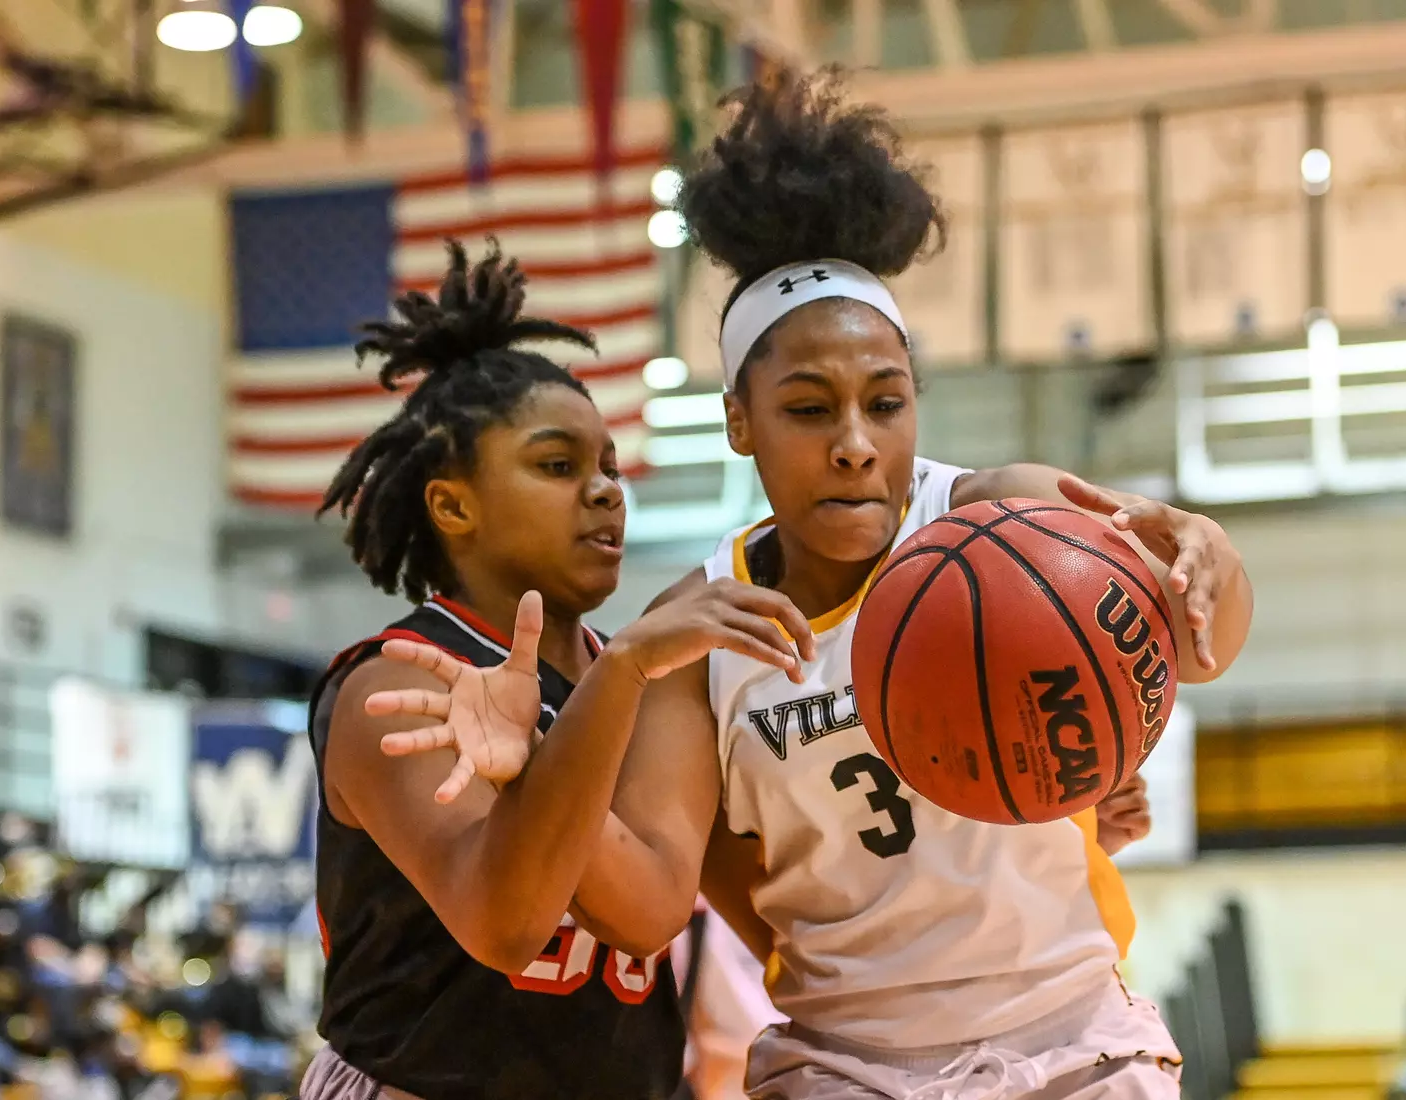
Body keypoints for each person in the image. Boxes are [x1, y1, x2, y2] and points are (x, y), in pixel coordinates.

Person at [376, 70, 1253, 1100]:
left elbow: (1203, 642)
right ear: (739, 421)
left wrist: (1210, 559)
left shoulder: (999, 516)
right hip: (845, 1063)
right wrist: (533, 764)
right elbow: (649, 904)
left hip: (1069, 1035)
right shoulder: (687, 638)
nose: (852, 444)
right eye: (806, 408)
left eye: (884, 403)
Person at [302, 240, 816, 1100]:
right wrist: (620, 681)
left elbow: (702, 915)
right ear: (453, 504)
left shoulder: (647, 681)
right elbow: (504, 925)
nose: (606, 491)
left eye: (611, 469)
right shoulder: (396, 687)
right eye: (558, 466)